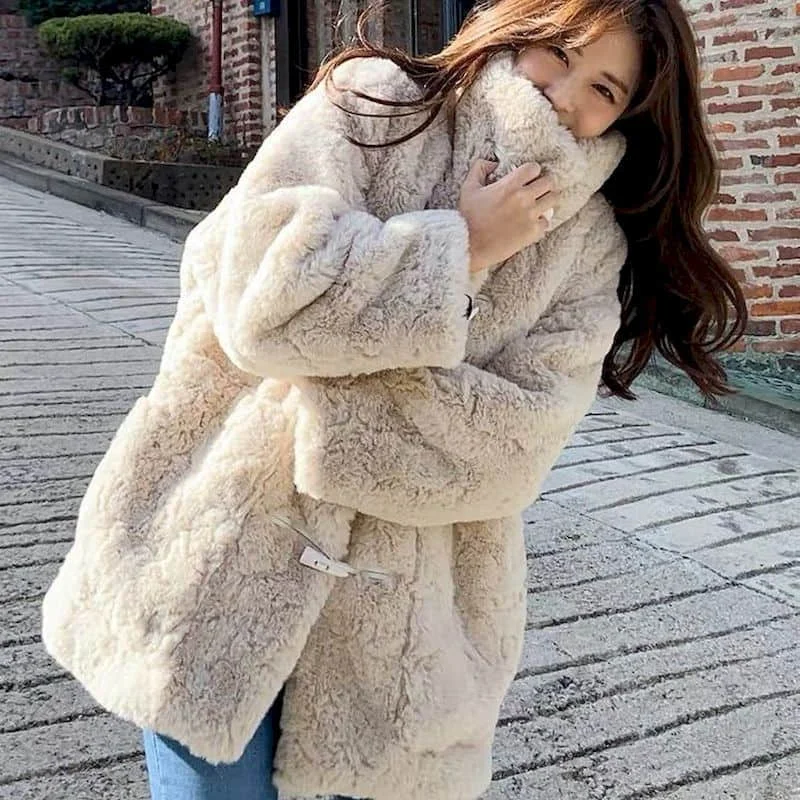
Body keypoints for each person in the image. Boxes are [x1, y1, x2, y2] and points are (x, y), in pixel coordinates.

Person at [41, 0, 747, 798]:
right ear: (517, 25)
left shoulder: (587, 243)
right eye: (558, 51)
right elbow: (258, 303)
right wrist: (459, 249)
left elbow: (512, 447)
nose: (565, 94)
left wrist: (320, 390)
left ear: (628, 115)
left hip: (403, 644)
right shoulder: (371, 103)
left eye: (605, 89)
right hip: (213, 562)